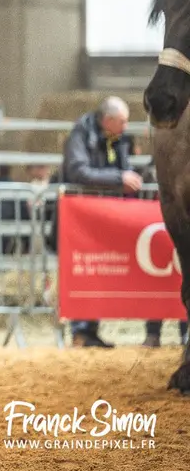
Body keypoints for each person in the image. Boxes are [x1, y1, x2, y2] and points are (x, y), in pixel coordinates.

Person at [61, 96, 145, 349]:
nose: (126, 127)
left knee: (98, 269)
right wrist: (119, 177)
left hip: (103, 213)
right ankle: (80, 329)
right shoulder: (81, 134)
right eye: (122, 121)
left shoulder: (116, 139)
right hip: (80, 215)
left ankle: (90, 329)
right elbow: (78, 172)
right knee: (82, 269)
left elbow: (123, 168)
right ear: (107, 120)